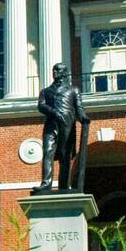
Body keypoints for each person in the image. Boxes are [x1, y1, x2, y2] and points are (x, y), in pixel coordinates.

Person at [33, 63, 90, 193]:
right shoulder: (46, 91)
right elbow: (41, 106)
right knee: (48, 152)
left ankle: (64, 185)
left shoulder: (73, 90)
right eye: (54, 70)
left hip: (67, 125)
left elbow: (79, 108)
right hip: (51, 124)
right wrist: (54, 112)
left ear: (65, 73)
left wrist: (83, 118)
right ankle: (46, 184)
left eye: (58, 70)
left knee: (65, 155)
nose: (55, 72)